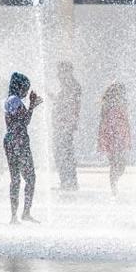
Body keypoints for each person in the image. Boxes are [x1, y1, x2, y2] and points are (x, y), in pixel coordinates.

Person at [4, 73, 42, 223]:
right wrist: (32, 105)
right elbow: (24, 121)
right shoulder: (14, 100)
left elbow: (22, 120)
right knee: (30, 179)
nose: (27, 91)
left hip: (12, 141)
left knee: (16, 179)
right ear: (19, 86)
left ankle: (15, 216)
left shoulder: (11, 100)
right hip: (18, 142)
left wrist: (31, 105)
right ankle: (24, 213)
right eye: (25, 87)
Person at [98, 82, 131, 196]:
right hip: (111, 136)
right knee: (114, 163)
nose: (122, 93)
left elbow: (126, 121)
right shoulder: (107, 104)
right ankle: (113, 186)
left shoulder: (123, 103)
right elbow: (102, 120)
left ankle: (115, 182)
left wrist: (128, 137)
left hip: (121, 135)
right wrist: (101, 138)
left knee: (121, 164)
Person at [52, 61, 81, 190]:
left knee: (64, 153)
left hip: (65, 125)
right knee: (61, 153)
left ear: (67, 72)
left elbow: (72, 106)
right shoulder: (69, 86)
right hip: (61, 124)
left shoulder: (72, 87)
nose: (58, 75)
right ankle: (66, 181)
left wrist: (69, 123)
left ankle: (69, 181)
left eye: (60, 72)